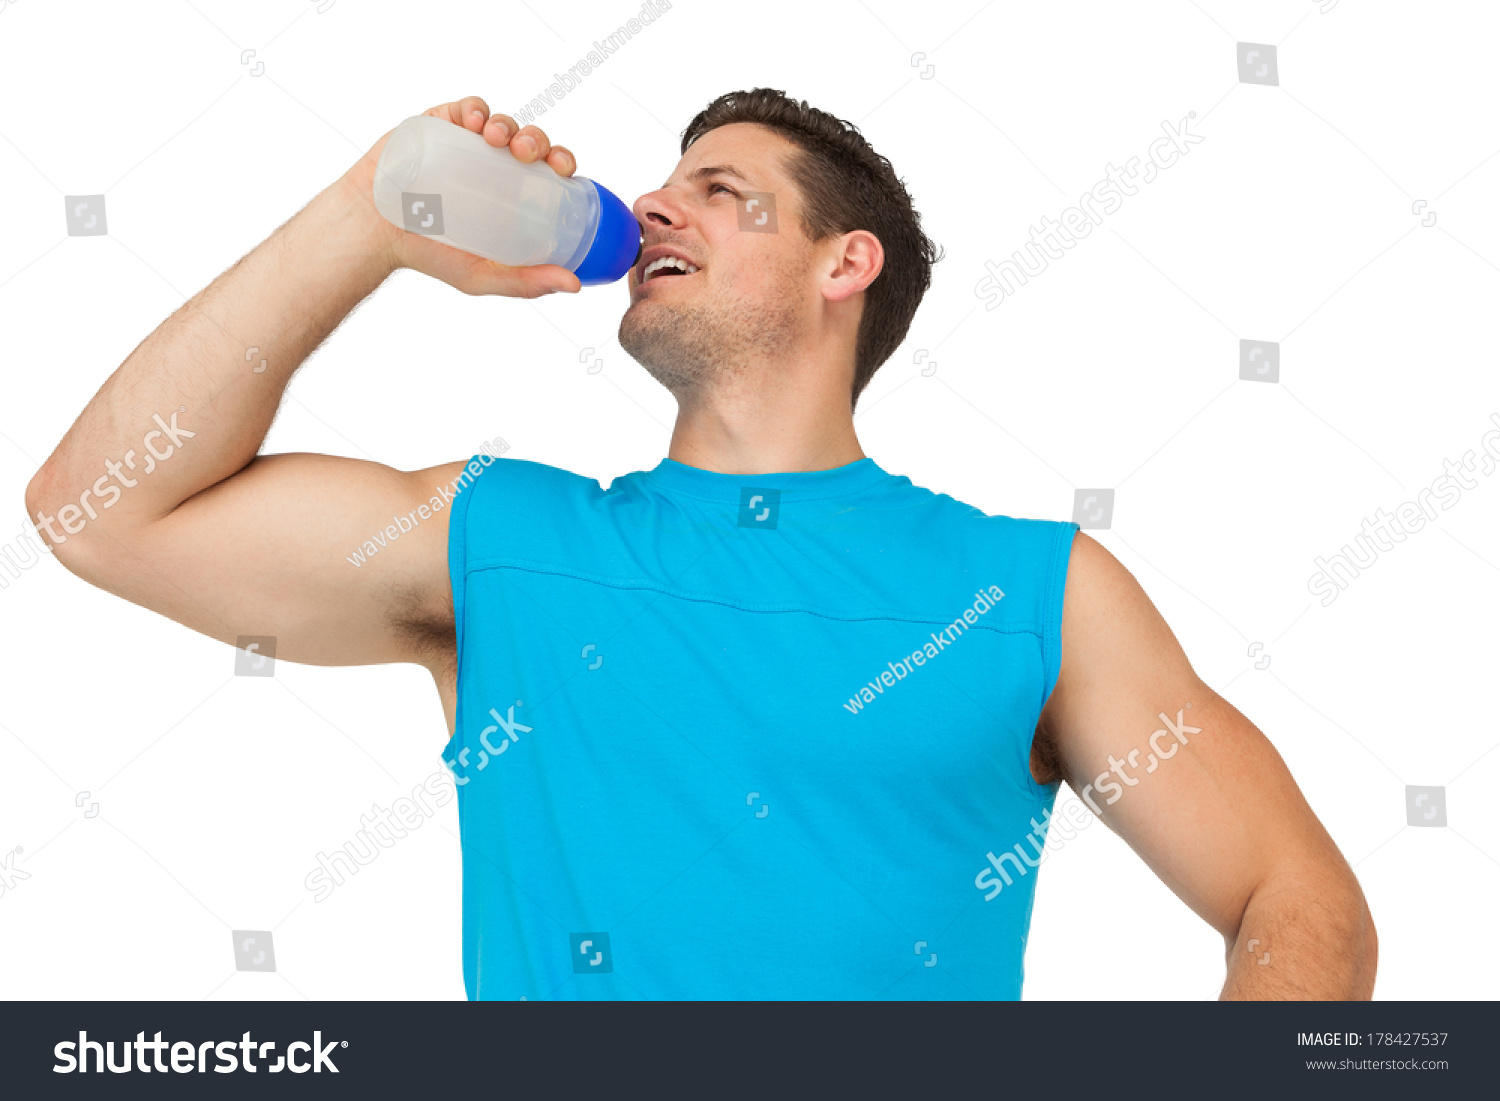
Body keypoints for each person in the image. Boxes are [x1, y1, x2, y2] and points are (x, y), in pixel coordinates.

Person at [25, 89, 1376, 1000]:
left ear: (845, 264)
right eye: (662, 187)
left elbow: (1295, 897)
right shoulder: (499, 542)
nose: (654, 209)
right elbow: (99, 512)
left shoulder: (1034, 593)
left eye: (719, 191)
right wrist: (367, 220)